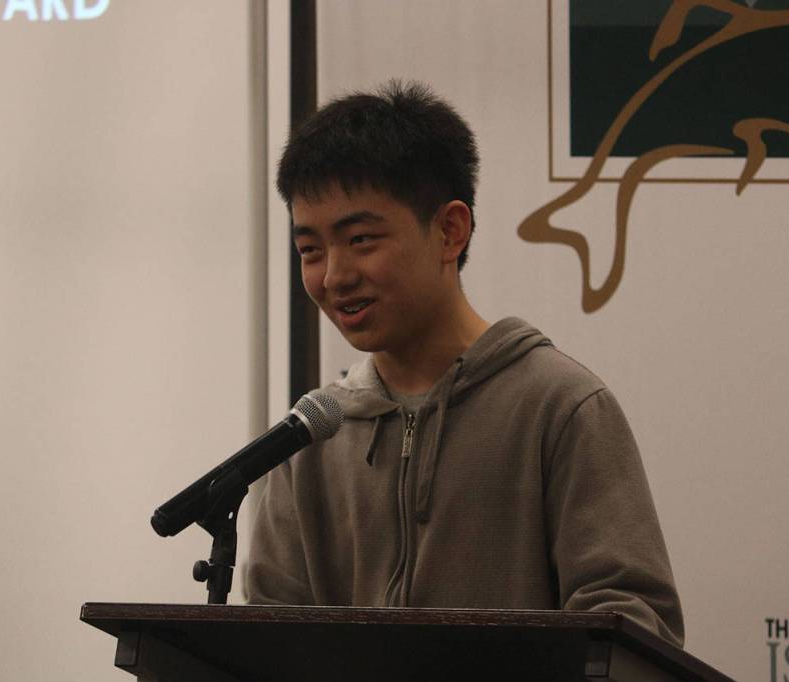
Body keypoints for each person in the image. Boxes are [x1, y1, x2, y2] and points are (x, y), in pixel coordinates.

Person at [245, 81, 684, 645]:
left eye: (360, 239)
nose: (333, 276)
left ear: (450, 231)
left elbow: (631, 628)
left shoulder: (561, 408)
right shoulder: (310, 440)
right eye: (310, 249)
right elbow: (268, 641)